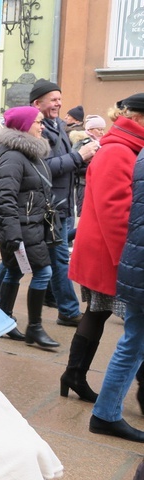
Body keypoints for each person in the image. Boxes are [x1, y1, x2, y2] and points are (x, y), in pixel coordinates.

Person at [63, 94, 144, 402]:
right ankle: (75, 375)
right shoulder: (119, 150)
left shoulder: (123, 146)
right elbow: (116, 212)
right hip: (109, 252)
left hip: (108, 250)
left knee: (98, 313)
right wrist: (128, 258)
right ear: (137, 118)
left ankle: (73, 374)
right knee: (104, 314)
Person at [89, 135, 144, 443]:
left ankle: (106, 412)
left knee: (134, 342)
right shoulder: (119, 150)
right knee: (134, 343)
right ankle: (106, 413)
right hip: (137, 264)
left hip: (136, 262)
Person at [30, 79, 98, 327]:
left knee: (27, 259)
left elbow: (67, 165)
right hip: (49, 206)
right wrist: (77, 156)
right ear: (38, 103)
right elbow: (44, 169)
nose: (59, 103)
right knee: (59, 258)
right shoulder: (36, 131)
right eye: (53, 99)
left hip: (62, 203)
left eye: (60, 98)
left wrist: (86, 159)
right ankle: (68, 311)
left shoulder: (58, 126)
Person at [0, 106, 59, 348]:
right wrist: (13, 235)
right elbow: (6, 198)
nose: (43, 126)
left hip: (32, 225)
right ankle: (35, 328)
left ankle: (4, 320)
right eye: (38, 122)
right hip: (21, 227)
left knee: (14, 271)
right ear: (23, 125)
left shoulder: (31, 153)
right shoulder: (13, 156)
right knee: (44, 272)